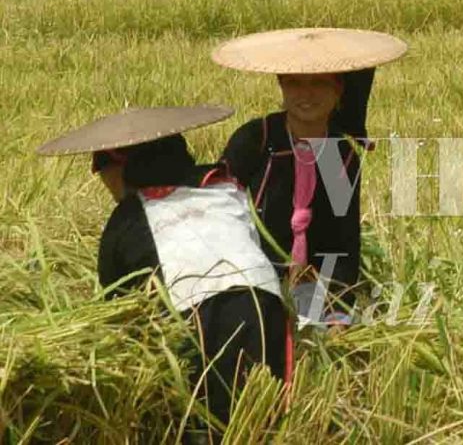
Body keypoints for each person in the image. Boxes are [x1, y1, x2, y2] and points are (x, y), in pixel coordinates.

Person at [37, 106, 287, 441]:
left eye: (103, 170)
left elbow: (120, 311)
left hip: (197, 316)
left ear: (122, 169)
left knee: (198, 426)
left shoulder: (127, 218)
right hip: (265, 304)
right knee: (261, 424)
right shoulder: (224, 188)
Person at [213, 28, 407, 328]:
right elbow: (218, 212)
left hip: (312, 289)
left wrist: (338, 309)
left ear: (338, 89)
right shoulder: (258, 139)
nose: (306, 95)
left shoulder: (339, 155)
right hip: (249, 280)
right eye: (295, 83)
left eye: (318, 83)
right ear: (281, 85)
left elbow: (343, 243)